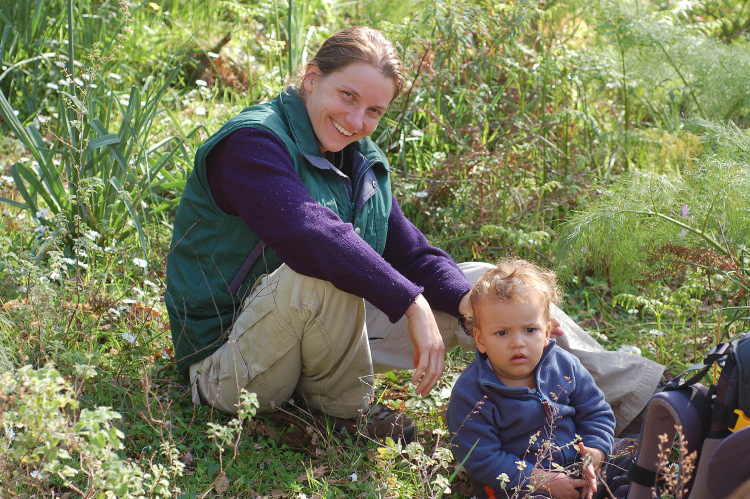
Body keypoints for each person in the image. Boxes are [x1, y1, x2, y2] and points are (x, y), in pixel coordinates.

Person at [164, 26, 663, 443]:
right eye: (347, 96)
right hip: (231, 366)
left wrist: (469, 306)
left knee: (490, 288)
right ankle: (343, 416)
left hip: (312, 345)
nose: (357, 121)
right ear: (311, 79)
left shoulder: (359, 163)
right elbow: (308, 234)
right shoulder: (253, 144)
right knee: (316, 273)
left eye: (375, 111)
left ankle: (646, 401)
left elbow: (412, 252)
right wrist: (412, 304)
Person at [446, 260, 635, 499]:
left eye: (530, 330)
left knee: (633, 460)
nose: (518, 342)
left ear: (546, 332)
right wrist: (540, 480)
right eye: (502, 333)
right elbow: (481, 458)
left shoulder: (564, 365)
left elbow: (596, 412)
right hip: (521, 483)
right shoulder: (472, 392)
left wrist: (595, 452)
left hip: (582, 468)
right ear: (480, 339)